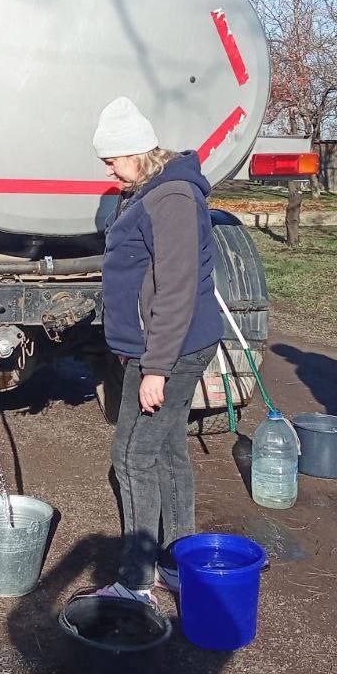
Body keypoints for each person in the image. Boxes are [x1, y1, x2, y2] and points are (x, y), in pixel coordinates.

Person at [89, 97, 222, 603]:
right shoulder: (149, 190)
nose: (108, 168)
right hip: (150, 348)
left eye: (113, 158)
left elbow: (177, 286)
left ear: (139, 151)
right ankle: (176, 561)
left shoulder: (172, 198)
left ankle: (137, 579)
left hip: (170, 350)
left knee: (131, 455)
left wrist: (157, 369)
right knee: (165, 449)